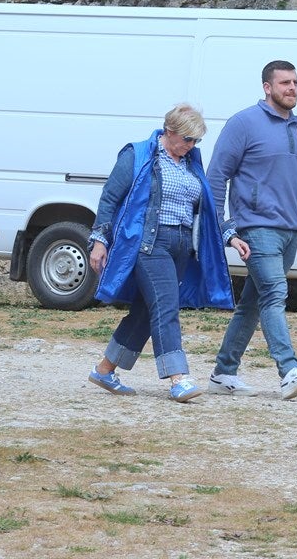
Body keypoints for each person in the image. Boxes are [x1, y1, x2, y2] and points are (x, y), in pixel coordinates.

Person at [206, 60, 297, 400]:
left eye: (296, 83)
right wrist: (225, 228)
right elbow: (216, 176)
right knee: (274, 293)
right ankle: (289, 370)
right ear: (267, 87)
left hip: (291, 231)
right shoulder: (243, 124)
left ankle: (223, 373)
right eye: (285, 82)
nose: (292, 88)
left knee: (252, 304)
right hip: (256, 228)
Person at [86, 104, 233, 402]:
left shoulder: (191, 162)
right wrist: (99, 240)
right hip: (149, 245)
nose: (192, 146)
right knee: (167, 308)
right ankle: (178, 378)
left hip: (181, 247)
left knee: (144, 311)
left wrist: (229, 234)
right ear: (169, 132)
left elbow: (205, 208)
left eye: (196, 141)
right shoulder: (138, 155)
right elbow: (110, 199)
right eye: (187, 140)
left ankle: (104, 369)